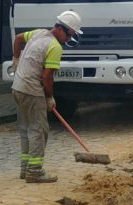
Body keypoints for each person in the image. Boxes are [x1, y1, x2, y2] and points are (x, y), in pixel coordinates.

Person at [9, 10, 83, 183]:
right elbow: (47, 77)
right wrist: (49, 98)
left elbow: (18, 38)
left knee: (26, 129)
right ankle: (34, 171)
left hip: (18, 87)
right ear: (61, 29)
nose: (68, 40)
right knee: (39, 130)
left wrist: (16, 59)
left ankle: (25, 169)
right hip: (31, 90)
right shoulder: (55, 47)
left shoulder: (38, 33)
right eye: (69, 35)